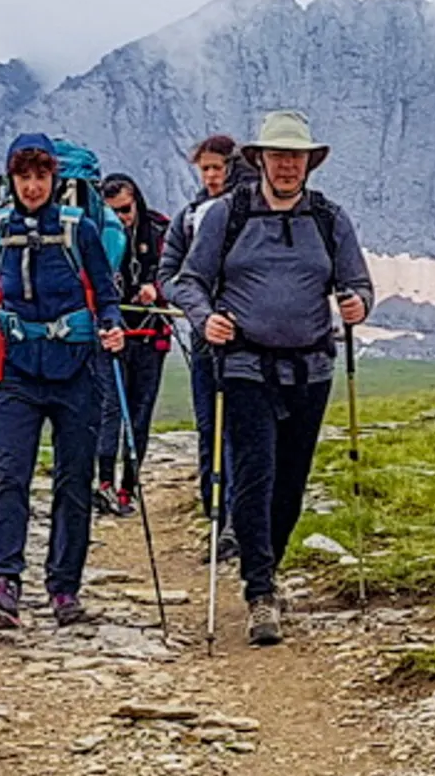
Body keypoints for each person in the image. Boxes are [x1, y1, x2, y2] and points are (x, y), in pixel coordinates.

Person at [166, 109, 371, 646]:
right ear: (259, 160)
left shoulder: (329, 218)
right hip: (243, 365)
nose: (287, 166)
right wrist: (202, 316)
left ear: (309, 163)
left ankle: (267, 568)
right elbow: (188, 281)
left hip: (311, 368)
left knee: (291, 483)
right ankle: (260, 589)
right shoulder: (226, 215)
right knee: (254, 475)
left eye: (296, 157)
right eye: (278, 156)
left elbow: (357, 283)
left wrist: (357, 304)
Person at [0, 134, 124, 632]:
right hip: (16, 375)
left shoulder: (80, 231)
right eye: (23, 176)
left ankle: (64, 589)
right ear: (10, 181)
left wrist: (112, 327)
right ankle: (1, 583)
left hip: (77, 372)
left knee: (73, 482)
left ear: (55, 180)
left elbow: (106, 293)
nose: (32, 186)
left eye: (41, 176)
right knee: (9, 475)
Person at [157, 133, 237, 516]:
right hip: (205, 335)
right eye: (204, 168)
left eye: (216, 167)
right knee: (209, 425)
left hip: (247, 337)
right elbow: (168, 275)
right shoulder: (189, 216)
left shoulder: (253, 211)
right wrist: (198, 308)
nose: (210, 176)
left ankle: (241, 515)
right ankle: (214, 508)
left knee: (241, 429)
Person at [96, 171, 171, 514]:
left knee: (140, 414)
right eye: (113, 212)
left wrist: (156, 288)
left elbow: (180, 273)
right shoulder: (94, 232)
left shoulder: (160, 229)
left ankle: (130, 485)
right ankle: (104, 482)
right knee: (109, 408)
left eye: (126, 210)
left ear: (137, 203)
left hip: (150, 336)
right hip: (111, 336)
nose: (121, 220)